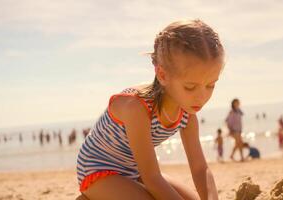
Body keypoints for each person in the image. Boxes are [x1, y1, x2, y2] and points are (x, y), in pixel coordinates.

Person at [76, 19, 224, 200]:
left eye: (210, 85)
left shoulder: (187, 113)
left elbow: (200, 169)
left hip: (135, 170)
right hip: (99, 170)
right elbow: (152, 177)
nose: (201, 97)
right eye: (190, 87)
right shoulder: (136, 108)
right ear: (162, 75)